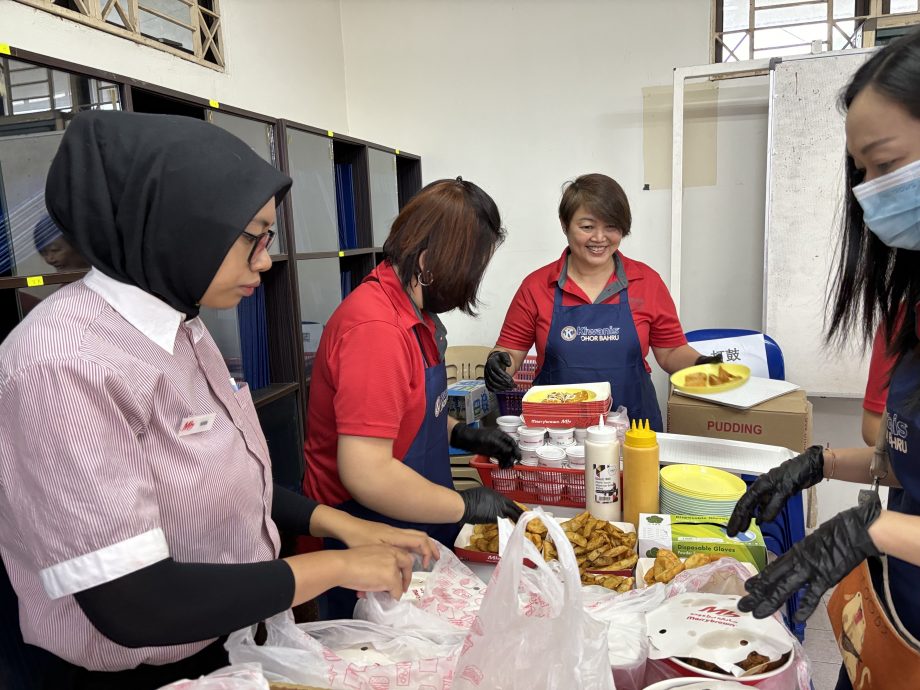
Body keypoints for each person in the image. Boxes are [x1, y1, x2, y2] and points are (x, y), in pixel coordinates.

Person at [0, 110, 437, 688]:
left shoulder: (183, 322)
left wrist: (340, 525)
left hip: (216, 639)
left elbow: (224, 480)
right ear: (178, 226)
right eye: (252, 238)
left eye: (269, 239)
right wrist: (335, 564)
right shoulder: (63, 360)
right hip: (121, 667)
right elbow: (135, 604)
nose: (264, 260)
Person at [725, 28, 920, 690]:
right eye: (859, 172)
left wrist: (867, 529)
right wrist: (823, 464)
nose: (868, 194)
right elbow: (911, 462)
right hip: (895, 627)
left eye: (886, 165)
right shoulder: (913, 305)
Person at [303, 177, 523, 619]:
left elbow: (407, 412)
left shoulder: (415, 312)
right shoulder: (376, 331)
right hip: (366, 527)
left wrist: (464, 434)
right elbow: (368, 472)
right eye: (471, 268)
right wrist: (465, 504)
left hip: (415, 514)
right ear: (428, 261)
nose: (472, 283)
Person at [484, 173, 719, 431]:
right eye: (587, 227)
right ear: (564, 225)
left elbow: (671, 351)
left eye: (611, 227)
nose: (600, 238)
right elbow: (511, 351)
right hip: (557, 435)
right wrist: (498, 363)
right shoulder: (537, 286)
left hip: (633, 430)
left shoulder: (647, 281)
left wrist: (700, 364)